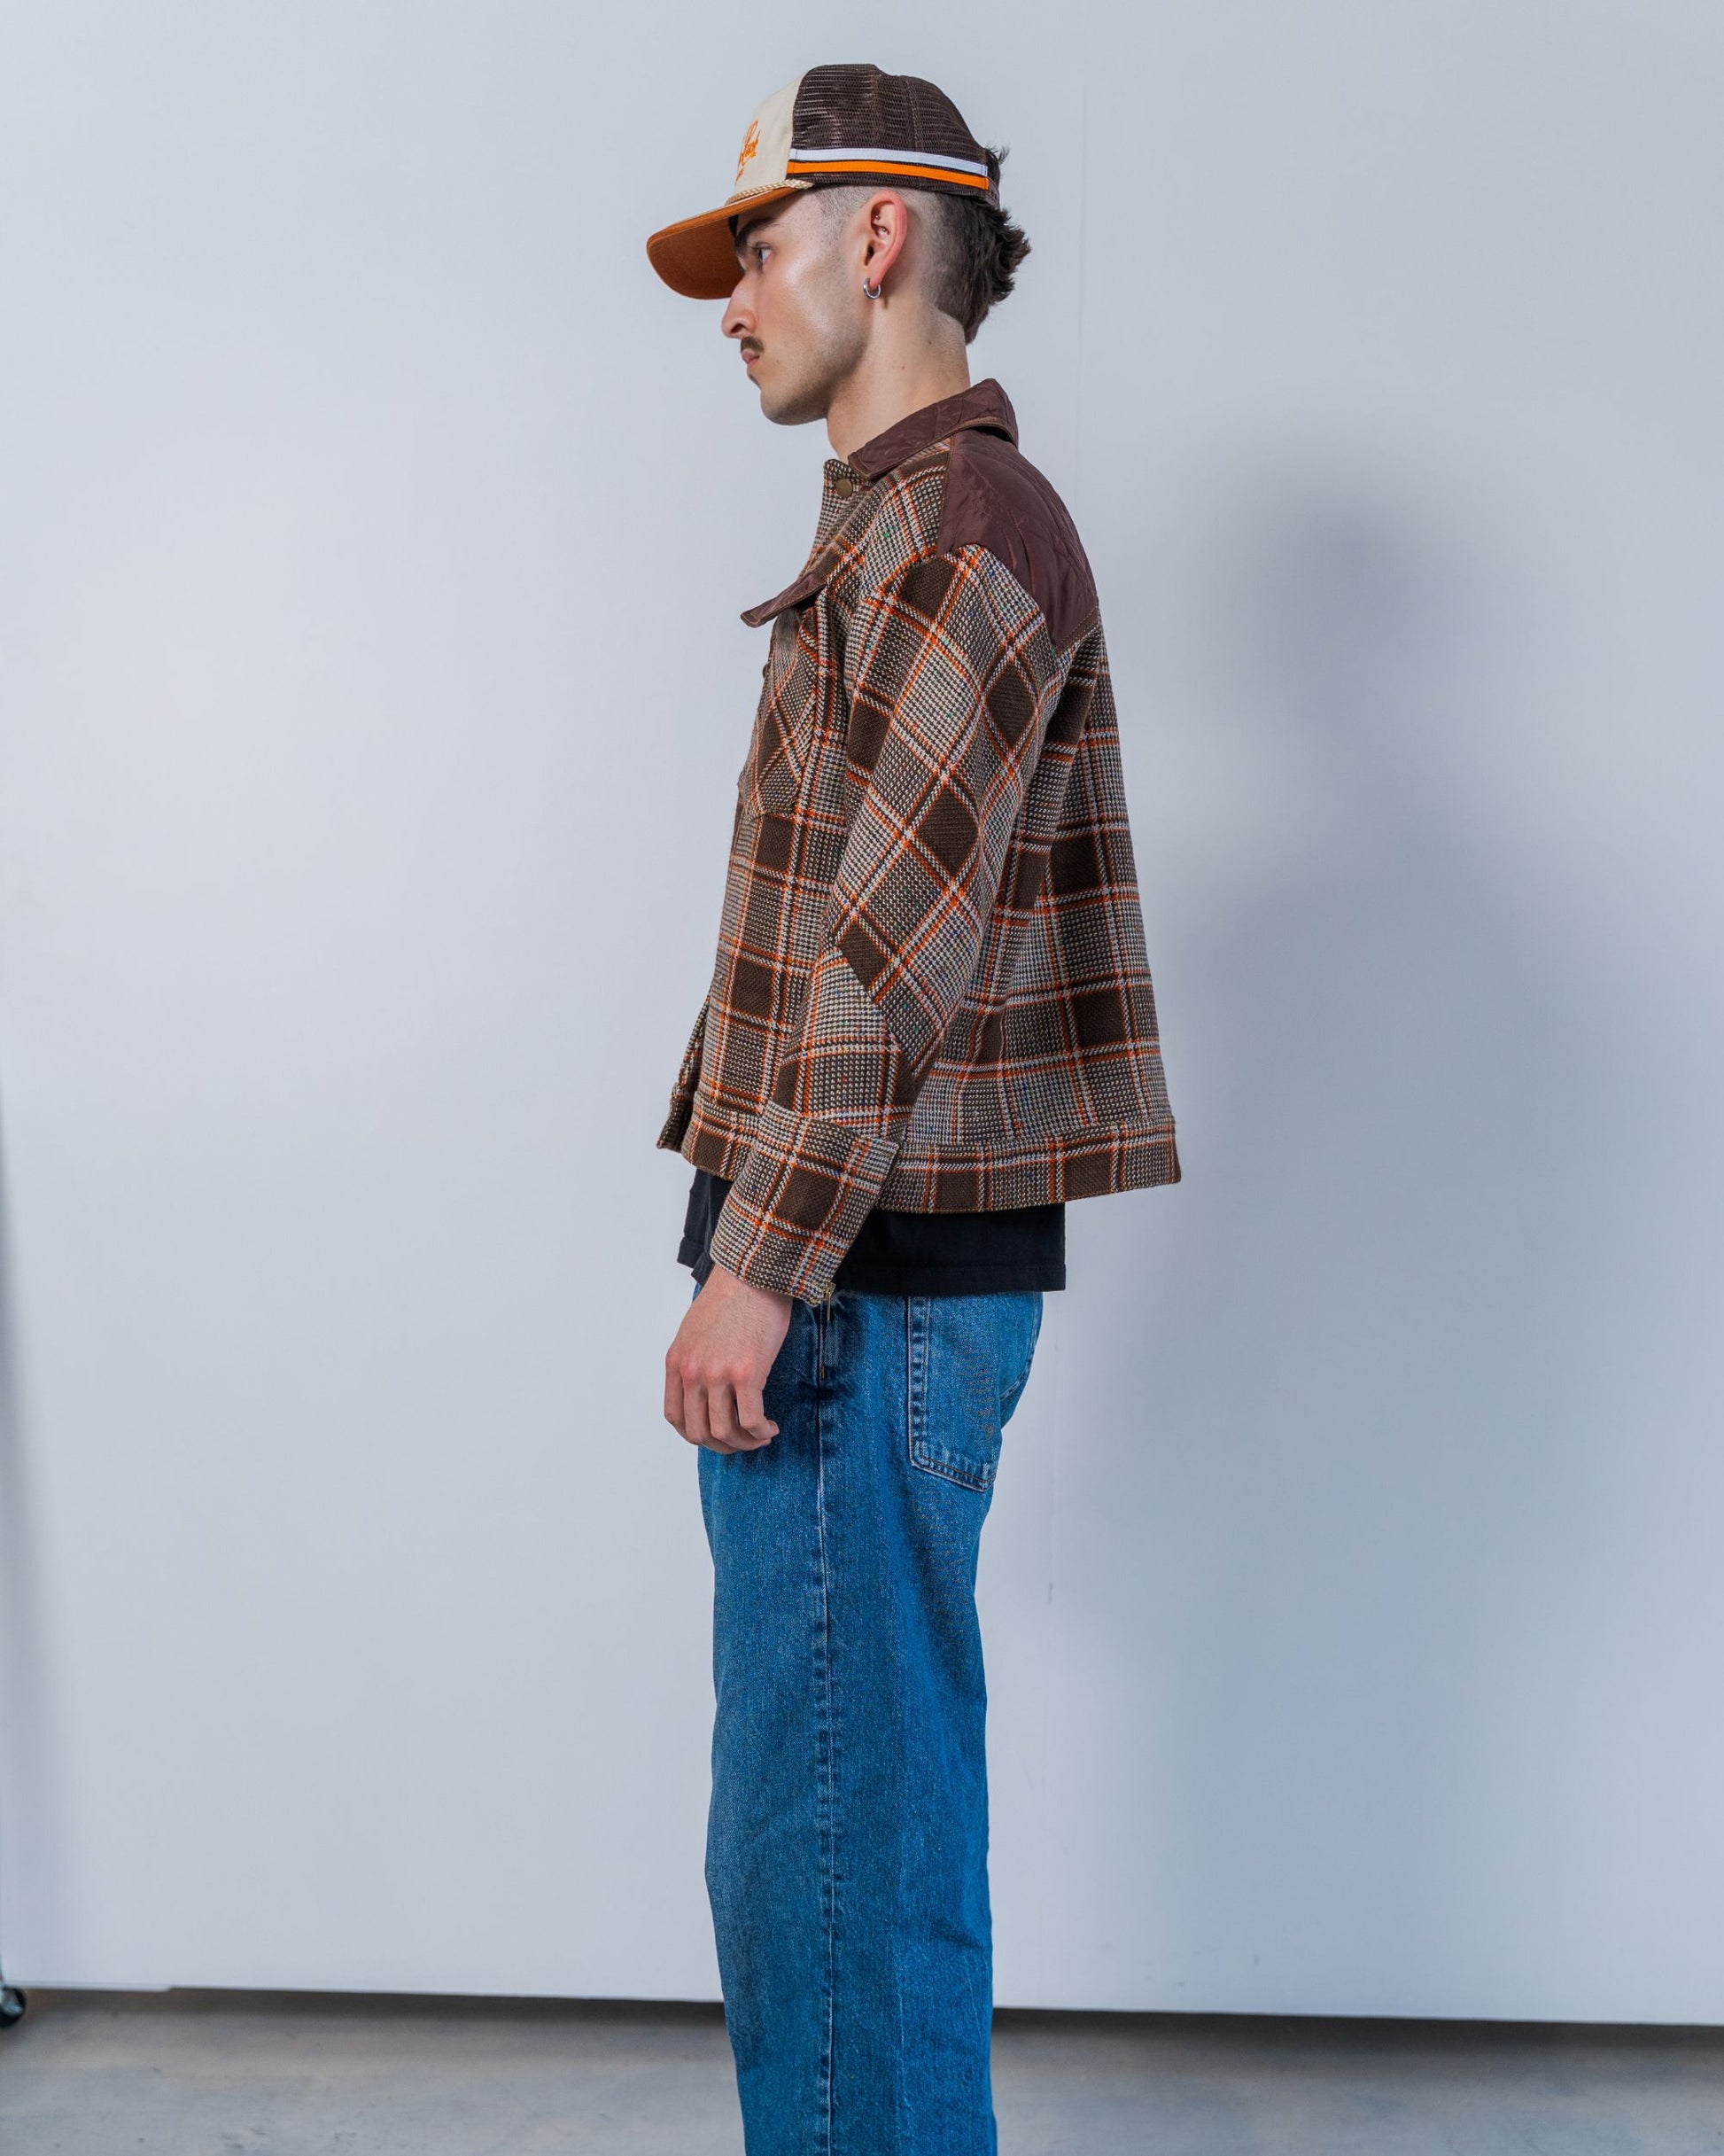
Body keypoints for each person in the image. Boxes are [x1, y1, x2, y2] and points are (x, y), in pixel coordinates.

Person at [648, 63, 1178, 2156]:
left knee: (834, 1844)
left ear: (879, 237)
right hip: (854, 1278)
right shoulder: (899, 516)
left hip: (858, 1291)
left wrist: (757, 1269)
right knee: (832, 1825)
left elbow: (888, 960)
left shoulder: (960, 529)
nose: (733, 297)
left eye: (759, 249)